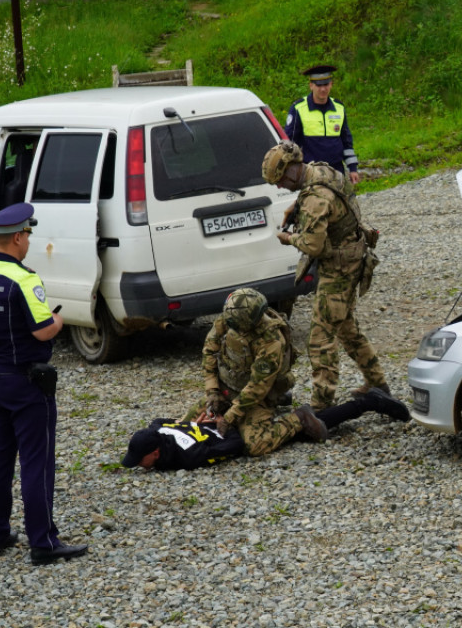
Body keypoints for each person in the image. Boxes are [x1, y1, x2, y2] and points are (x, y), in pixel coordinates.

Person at [0, 202, 88, 564]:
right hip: (25, 380)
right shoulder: (24, 278)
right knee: (37, 460)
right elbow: (42, 329)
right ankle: (43, 542)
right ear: (18, 237)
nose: (29, 241)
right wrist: (58, 321)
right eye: (28, 235)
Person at [262, 141, 388, 411]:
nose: (279, 186)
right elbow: (322, 196)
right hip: (352, 256)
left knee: (320, 338)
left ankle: (322, 406)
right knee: (345, 327)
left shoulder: (315, 198)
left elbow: (314, 246)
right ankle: (378, 383)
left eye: (281, 180)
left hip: (339, 266)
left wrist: (288, 238)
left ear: (292, 170)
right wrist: (294, 207)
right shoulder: (319, 171)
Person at [189, 288, 331, 455]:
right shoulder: (229, 318)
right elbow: (209, 351)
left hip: (257, 398)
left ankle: (299, 418)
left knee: (255, 445)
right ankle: (279, 400)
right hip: (226, 389)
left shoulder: (271, 341)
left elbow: (257, 388)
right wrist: (212, 391)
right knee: (188, 423)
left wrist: (228, 418)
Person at [121, 393, 410, 471]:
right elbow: (158, 421)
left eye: (140, 460)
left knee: (281, 434)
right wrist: (197, 423)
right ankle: (365, 402)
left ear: (156, 453)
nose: (139, 465)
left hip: (230, 427)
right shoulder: (158, 430)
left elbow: (235, 446)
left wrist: (225, 422)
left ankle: (367, 403)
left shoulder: (189, 458)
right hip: (223, 415)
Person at [285, 64, 360, 181]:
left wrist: (353, 168)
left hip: (336, 170)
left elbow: (346, 141)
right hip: (311, 171)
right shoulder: (298, 108)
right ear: (311, 86)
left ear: (331, 84)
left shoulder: (339, 107)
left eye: (326, 84)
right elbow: (290, 142)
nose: (323, 89)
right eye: (318, 85)